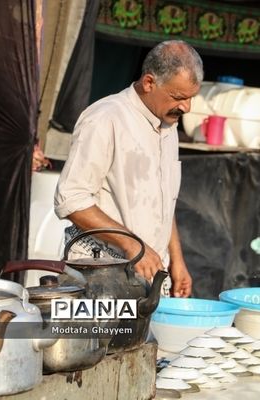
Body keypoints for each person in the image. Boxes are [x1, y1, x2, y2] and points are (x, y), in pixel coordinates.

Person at [54, 40, 203, 298]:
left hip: (149, 274)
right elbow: (71, 199)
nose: (186, 108)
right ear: (148, 83)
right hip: (99, 273)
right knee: (97, 340)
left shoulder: (168, 126)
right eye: (179, 97)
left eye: (191, 98)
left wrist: (176, 260)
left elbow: (165, 200)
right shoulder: (105, 117)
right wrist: (131, 243)